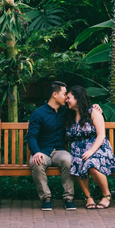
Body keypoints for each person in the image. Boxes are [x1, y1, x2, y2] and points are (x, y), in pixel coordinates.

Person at [65, 85, 115, 209]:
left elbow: (101, 135)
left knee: (91, 165)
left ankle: (106, 195)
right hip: (77, 150)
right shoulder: (68, 114)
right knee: (76, 162)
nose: (66, 100)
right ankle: (88, 197)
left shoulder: (93, 112)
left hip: (98, 148)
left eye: (69, 98)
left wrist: (91, 151)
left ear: (77, 98)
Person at [27, 81, 76, 211]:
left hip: (59, 151)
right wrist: (36, 152)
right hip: (43, 151)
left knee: (68, 159)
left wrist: (95, 107)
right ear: (55, 94)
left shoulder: (66, 111)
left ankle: (68, 197)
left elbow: (82, 110)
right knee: (36, 162)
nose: (66, 97)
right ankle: (46, 197)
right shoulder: (39, 113)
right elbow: (31, 136)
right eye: (64, 93)